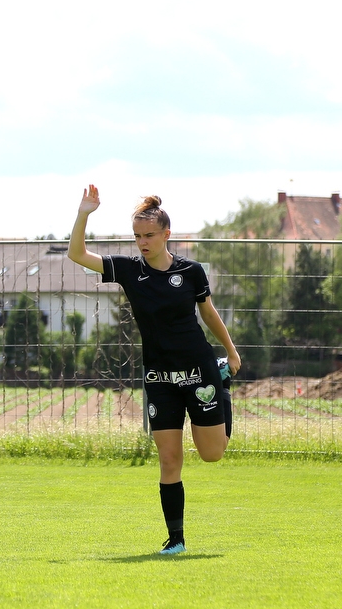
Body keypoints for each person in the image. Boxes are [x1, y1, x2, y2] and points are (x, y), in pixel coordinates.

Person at [67, 184, 240, 555]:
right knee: (169, 458)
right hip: (159, 376)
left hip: (199, 370)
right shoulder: (129, 270)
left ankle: (222, 388)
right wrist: (84, 212)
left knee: (213, 454)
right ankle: (175, 539)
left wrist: (230, 351)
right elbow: (76, 253)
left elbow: (207, 313)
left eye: (148, 235)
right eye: (137, 236)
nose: (142, 242)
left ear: (166, 234)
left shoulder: (190, 272)